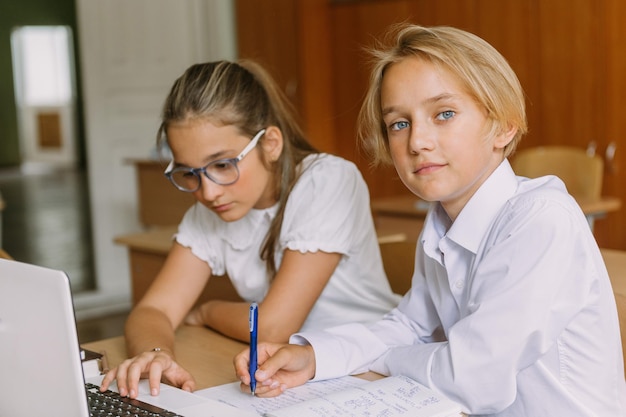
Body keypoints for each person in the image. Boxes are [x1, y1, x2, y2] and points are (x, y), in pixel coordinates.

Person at [234, 24, 626, 415]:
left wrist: (386, 360)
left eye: (444, 114)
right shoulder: (442, 222)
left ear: (504, 126)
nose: (417, 141)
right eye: (399, 124)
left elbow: (472, 378)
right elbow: (409, 327)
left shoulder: (540, 221)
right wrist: (314, 356)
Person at [100, 60, 401, 399]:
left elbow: (273, 326)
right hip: (291, 371)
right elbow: (153, 310)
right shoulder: (211, 209)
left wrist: (206, 310)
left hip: (369, 366)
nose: (208, 192)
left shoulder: (327, 181)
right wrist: (156, 354)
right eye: (190, 173)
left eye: (223, 164)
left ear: (270, 143)